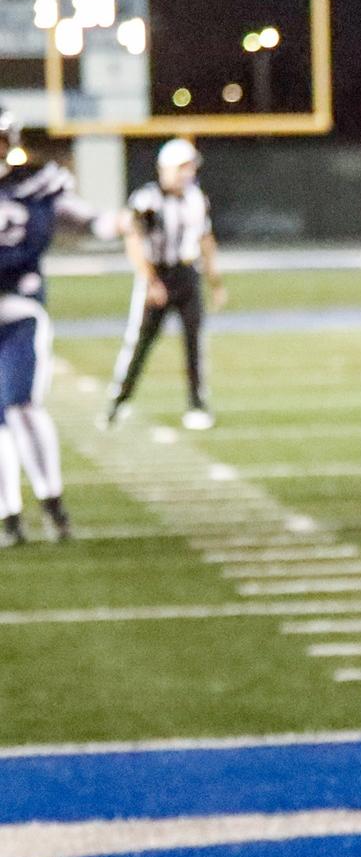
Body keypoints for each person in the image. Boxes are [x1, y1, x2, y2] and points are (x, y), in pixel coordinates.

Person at [0, 113, 117, 545]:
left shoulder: (35, 185)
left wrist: (119, 223)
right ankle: (9, 517)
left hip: (18, 310)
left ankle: (52, 504)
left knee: (22, 406)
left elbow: (89, 220)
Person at [103, 138, 221, 430]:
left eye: (190, 167)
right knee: (140, 342)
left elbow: (205, 240)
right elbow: (134, 241)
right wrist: (150, 280)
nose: (187, 173)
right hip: (156, 275)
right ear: (166, 168)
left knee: (195, 343)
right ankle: (118, 402)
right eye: (182, 167)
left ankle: (197, 404)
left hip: (186, 275)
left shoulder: (196, 198)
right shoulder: (147, 200)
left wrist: (214, 281)